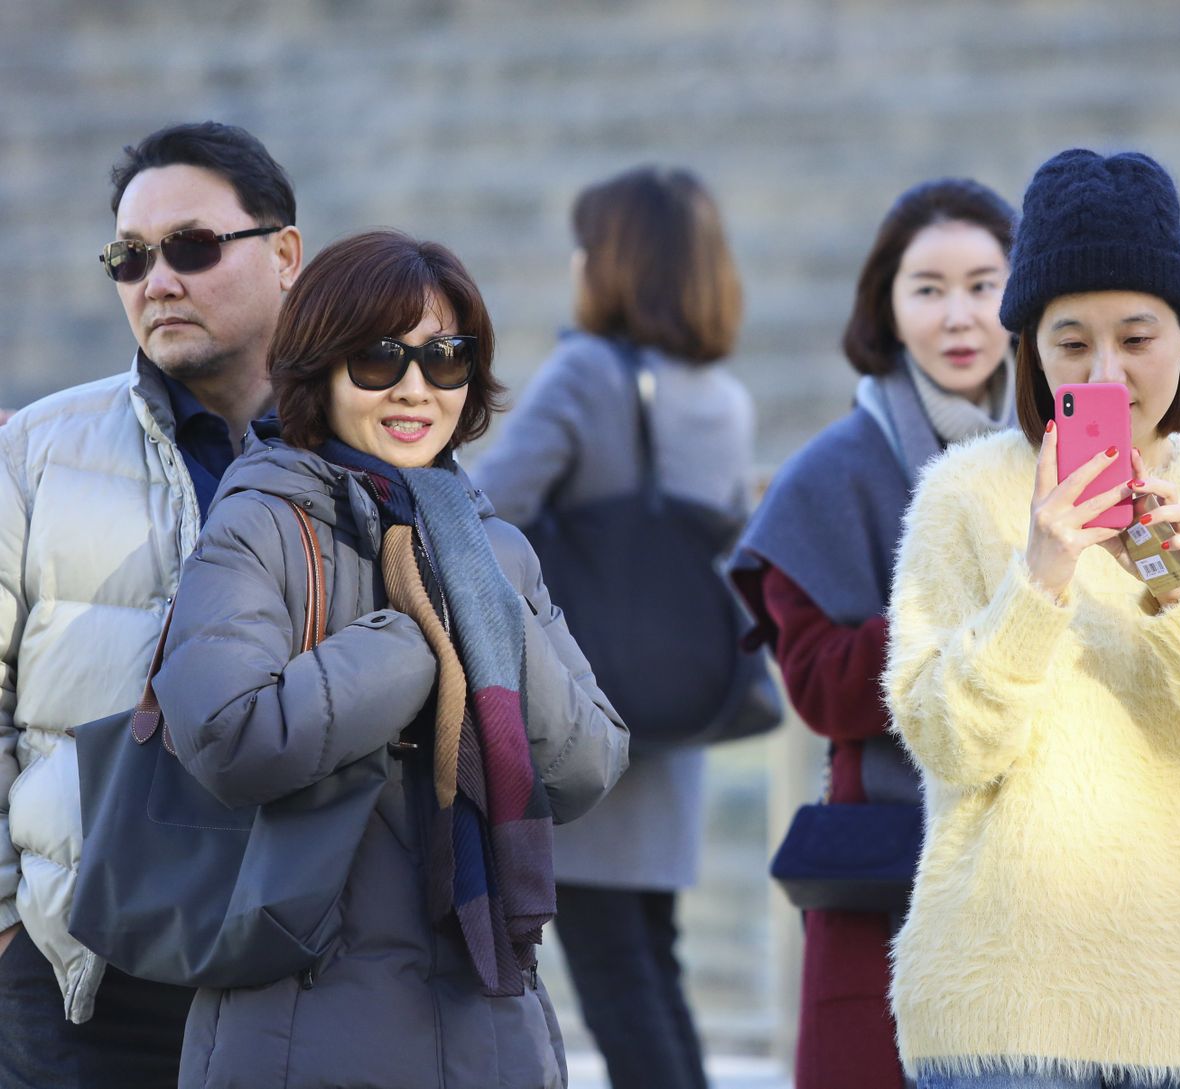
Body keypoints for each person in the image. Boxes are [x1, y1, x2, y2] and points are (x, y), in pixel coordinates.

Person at [882, 148, 1180, 1089]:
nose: (1106, 372)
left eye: (1136, 337)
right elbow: (948, 742)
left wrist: (1179, 591)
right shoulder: (960, 495)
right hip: (1000, 1009)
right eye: (1070, 343)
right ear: (1029, 349)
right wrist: (1040, 573)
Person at [149, 229, 629, 1088]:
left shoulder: (493, 548)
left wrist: (484, 610)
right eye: (379, 358)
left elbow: (590, 763)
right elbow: (228, 735)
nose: (415, 387)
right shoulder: (259, 520)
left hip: (491, 1021)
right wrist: (420, 633)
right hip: (300, 1022)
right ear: (319, 370)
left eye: (445, 358)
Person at [0, 121, 302, 1088]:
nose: (157, 280)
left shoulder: (360, 458)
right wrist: (7, 922)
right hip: (76, 978)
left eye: (193, 246)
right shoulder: (35, 450)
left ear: (284, 254)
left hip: (299, 973)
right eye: (130, 257)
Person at [729, 177, 1018, 1089]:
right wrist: (991, 595)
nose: (958, 315)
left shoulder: (1068, 461)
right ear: (887, 308)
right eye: (928, 288)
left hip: (1049, 869)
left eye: (984, 285)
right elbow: (819, 686)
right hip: (893, 871)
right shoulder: (828, 474)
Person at [472, 165, 748, 1089]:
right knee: (650, 965)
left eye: (586, 247)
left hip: (589, 713)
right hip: (674, 714)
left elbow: (486, 508)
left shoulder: (588, 374)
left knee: (615, 979)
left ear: (616, 262)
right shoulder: (723, 395)